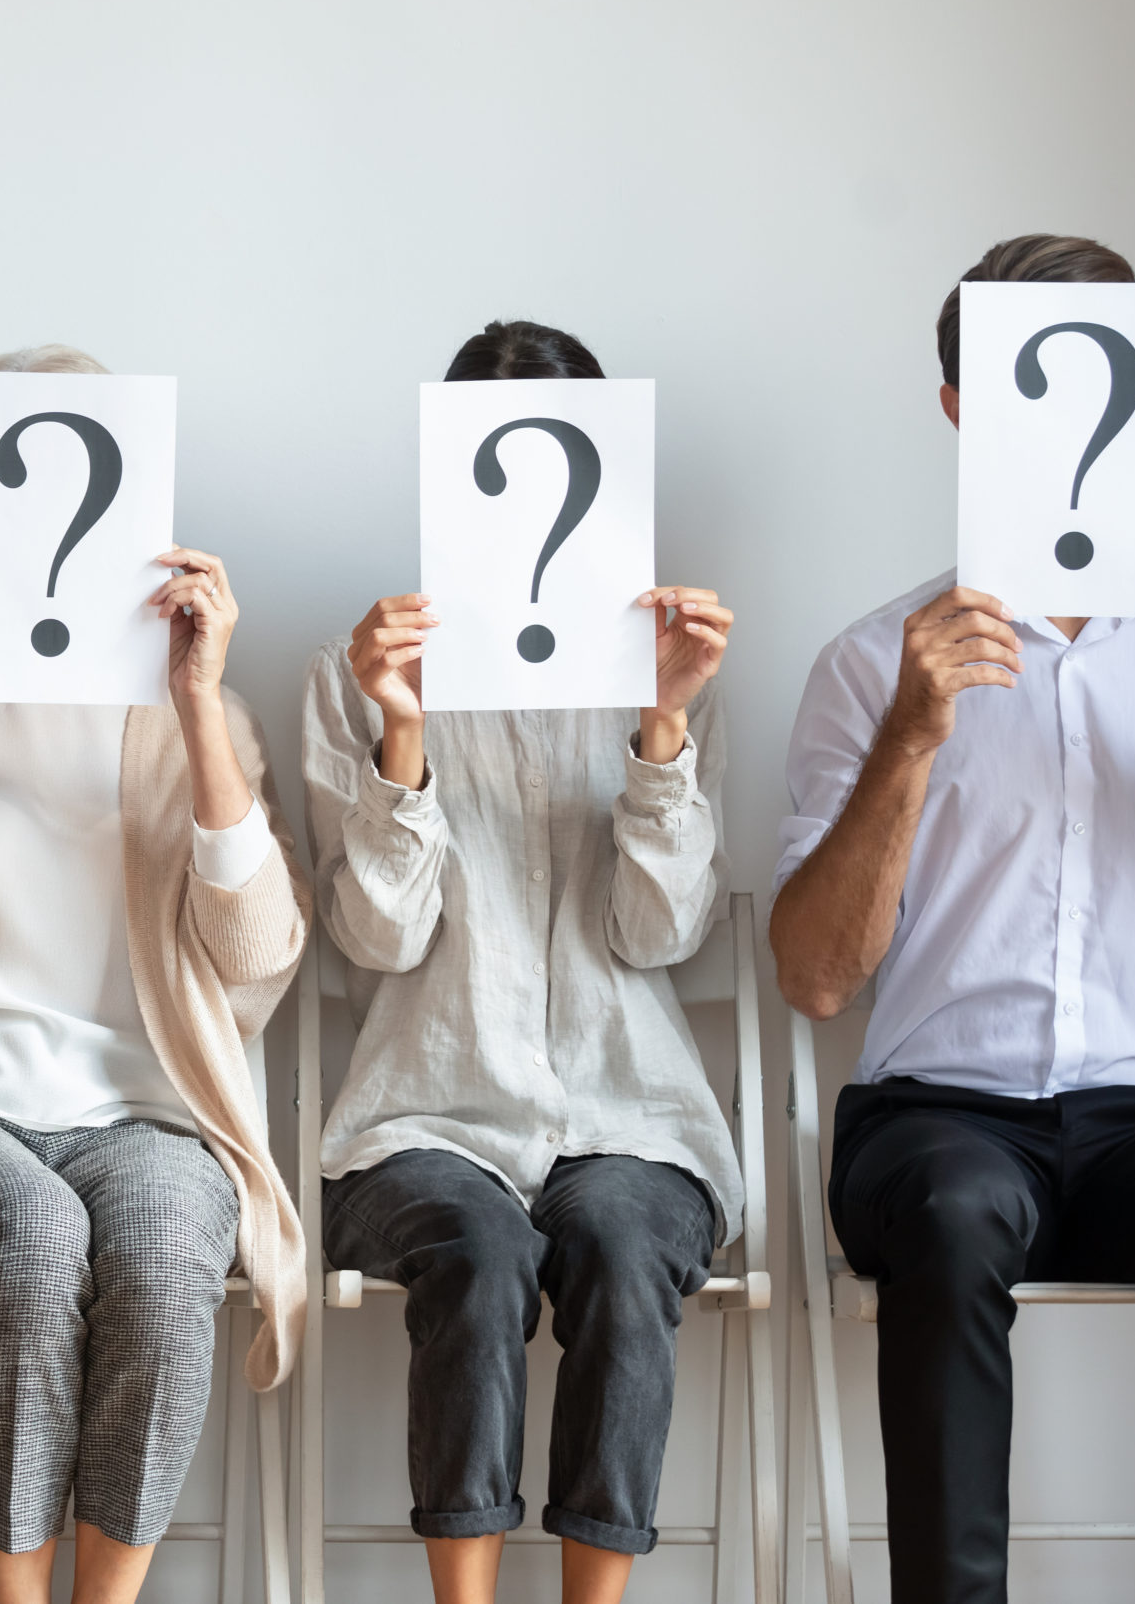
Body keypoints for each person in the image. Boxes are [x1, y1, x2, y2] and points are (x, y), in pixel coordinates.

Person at [769, 233, 1135, 1604]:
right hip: (939, 1119)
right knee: (961, 1204)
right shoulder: (871, 662)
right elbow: (813, 977)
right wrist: (912, 735)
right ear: (964, 409)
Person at [0, 343, 309, 1604]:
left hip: (146, 1113)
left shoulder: (210, 721)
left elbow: (257, 967)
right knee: (33, 1239)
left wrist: (197, 707)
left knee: (158, 1254)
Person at [302, 319, 742, 1604]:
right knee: (478, 1245)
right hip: (424, 1116)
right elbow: (378, 935)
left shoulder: (654, 659)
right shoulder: (363, 667)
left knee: (618, 1238)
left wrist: (661, 724)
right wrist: (401, 732)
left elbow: (658, 932)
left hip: (632, 1110)